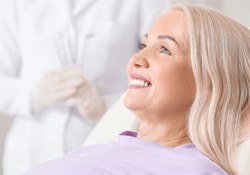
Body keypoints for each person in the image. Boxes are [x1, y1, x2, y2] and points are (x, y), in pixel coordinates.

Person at [24, 4, 250, 175]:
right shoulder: (95, 151)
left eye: (164, 49)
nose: (136, 58)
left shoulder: (193, 170)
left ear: (209, 83)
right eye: (143, 45)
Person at [0, 0, 170, 174]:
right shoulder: (14, 4)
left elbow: (164, 74)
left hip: (102, 147)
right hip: (28, 154)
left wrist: (106, 107)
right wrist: (32, 96)